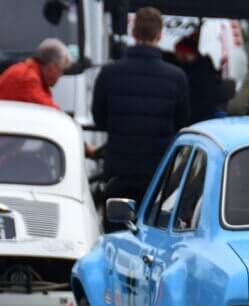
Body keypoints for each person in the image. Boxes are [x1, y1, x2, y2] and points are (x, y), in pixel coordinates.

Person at [92, 6, 190, 227]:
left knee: (116, 232)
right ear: (159, 34)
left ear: (133, 33)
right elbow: (182, 123)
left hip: (119, 168)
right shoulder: (176, 77)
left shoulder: (109, 73)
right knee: (151, 231)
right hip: (157, 172)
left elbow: (99, 118)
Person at [0, 38, 71, 109]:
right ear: (51, 66)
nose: (60, 75)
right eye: (60, 70)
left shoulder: (26, 70)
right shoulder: (28, 78)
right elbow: (51, 111)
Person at [172, 31, 219, 123]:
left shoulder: (198, 71)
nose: (175, 55)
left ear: (183, 52)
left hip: (199, 118)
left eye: (177, 52)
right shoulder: (201, 66)